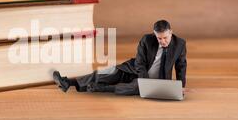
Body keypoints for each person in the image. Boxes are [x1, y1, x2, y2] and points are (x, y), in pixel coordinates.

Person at [53, 20, 187, 95]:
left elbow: (181, 66)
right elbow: (140, 63)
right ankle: (68, 83)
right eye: (159, 38)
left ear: (171, 32)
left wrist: (180, 86)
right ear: (154, 34)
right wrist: (145, 81)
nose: (163, 41)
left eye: (165, 38)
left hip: (157, 81)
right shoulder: (146, 40)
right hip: (135, 70)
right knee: (108, 73)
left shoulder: (180, 44)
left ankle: (103, 88)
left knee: (135, 88)